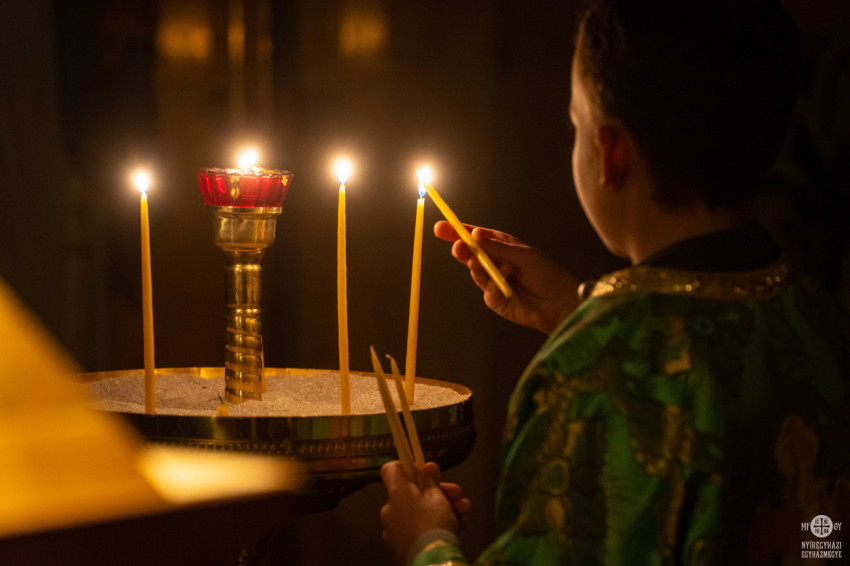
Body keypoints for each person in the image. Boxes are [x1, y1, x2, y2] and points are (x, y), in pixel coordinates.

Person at [379, 1, 850, 565]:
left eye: (575, 124)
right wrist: (575, 308)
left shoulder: (592, 373)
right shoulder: (817, 315)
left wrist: (427, 543)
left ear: (611, 154)